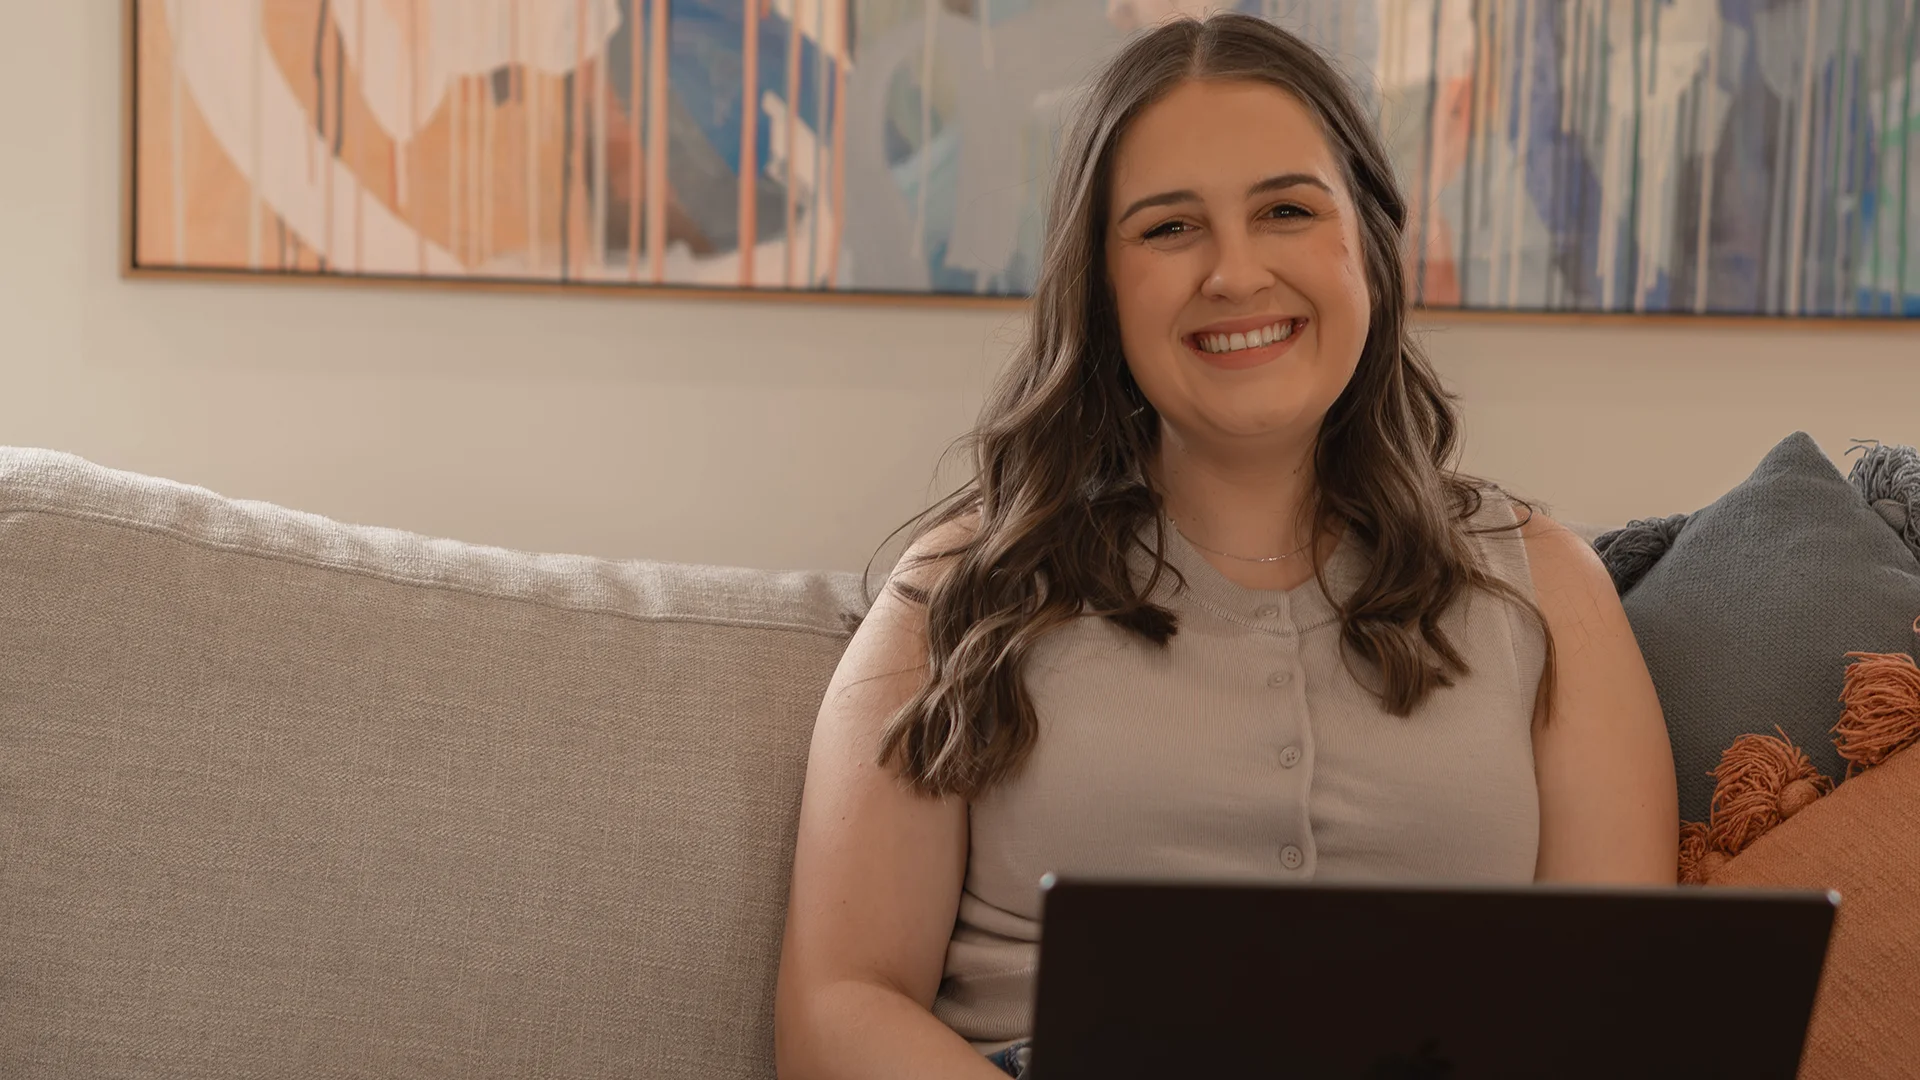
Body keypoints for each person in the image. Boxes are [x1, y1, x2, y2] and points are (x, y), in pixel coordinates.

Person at [773, 13, 1679, 1079]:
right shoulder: (963, 594)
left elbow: (1613, 1013)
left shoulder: (1547, 589)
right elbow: (839, 1006)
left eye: (1287, 210)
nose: (1235, 274)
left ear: (1369, 250)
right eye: (1169, 229)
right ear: (1102, 289)